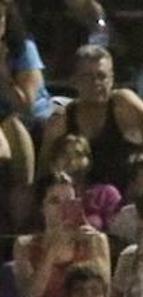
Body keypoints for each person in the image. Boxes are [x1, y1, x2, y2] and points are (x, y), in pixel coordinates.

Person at [38, 46, 143, 191]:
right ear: (74, 80)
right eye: (87, 77)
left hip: (125, 196)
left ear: (112, 79)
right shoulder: (63, 119)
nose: (96, 82)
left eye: (101, 76)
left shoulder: (122, 103)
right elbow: (45, 166)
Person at [13, 174, 111, 297]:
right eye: (54, 201)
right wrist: (50, 252)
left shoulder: (96, 240)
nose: (63, 208)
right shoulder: (24, 245)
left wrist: (92, 246)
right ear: (41, 207)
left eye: (69, 202)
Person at [0, 0, 52, 231]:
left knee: (13, 128)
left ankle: (20, 221)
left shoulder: (22, 49)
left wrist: (1, 71)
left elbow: (24, 105)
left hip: (27, 118)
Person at [42, 133, 122, 232]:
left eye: (78, 154)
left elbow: (118, 235)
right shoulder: (43, 194)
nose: (71, 160)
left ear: (89, 162)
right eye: (64, 154)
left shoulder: (105, 194)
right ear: (53, 164)